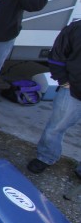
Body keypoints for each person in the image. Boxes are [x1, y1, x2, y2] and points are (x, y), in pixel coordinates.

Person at [26, 20, 81, 179]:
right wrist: (62, 79)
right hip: (72, 91)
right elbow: (57, 54)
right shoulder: (76, 28)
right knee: (56, 127)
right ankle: (46, 157)